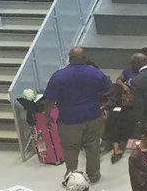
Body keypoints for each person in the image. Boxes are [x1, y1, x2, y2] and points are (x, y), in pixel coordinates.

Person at [42, 47, 111, 183]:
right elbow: (108, 89)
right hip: (93, 116)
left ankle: (72, 178)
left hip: (68, 120)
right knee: (92, 146)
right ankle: (93, 176)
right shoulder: (95, 73)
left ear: (69, 57)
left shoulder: (59, 75)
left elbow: (49, 99)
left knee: (70, 148)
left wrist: (47, 115)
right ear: (85, 57)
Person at [102, 65, 138, 164]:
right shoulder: (119, 89)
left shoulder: (141, 89)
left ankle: (118, 144)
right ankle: (115, 144)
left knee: (128, 119)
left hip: (135, 109)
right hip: (120, 108)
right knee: (114, 117)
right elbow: (112, 100)